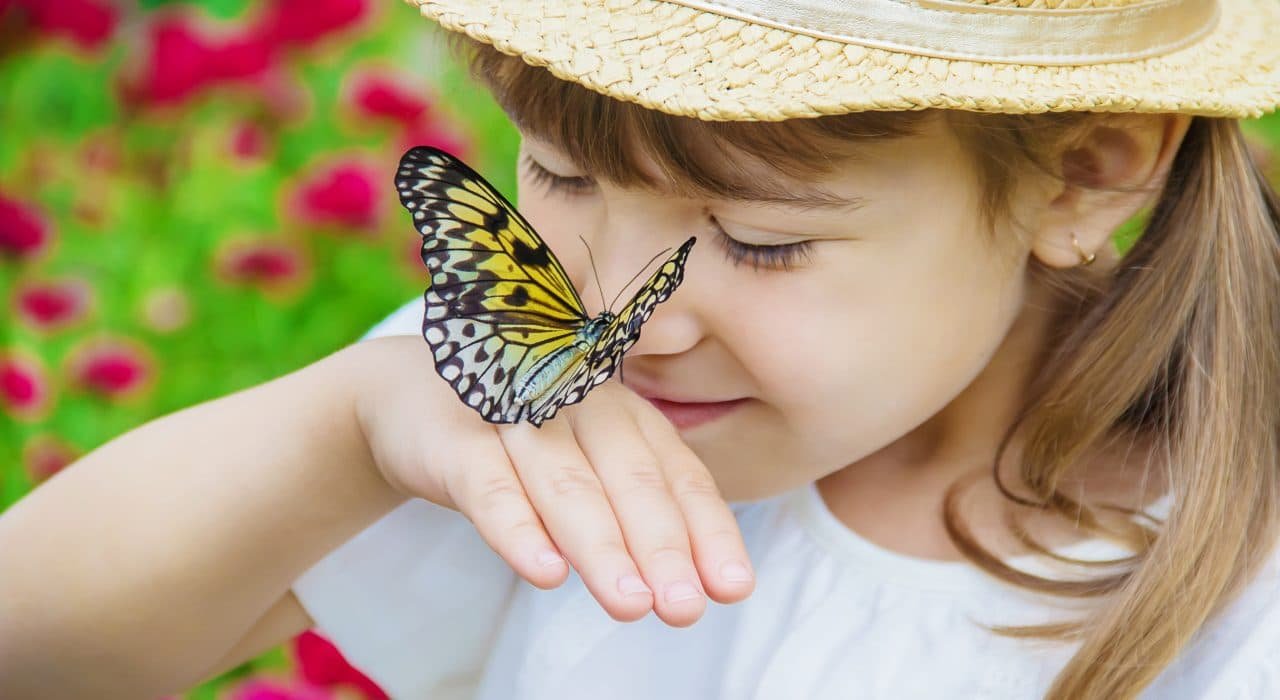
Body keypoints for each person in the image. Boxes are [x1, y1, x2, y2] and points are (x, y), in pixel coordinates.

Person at [2, 0, 1279, 697]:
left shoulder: (1234, 611)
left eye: (759, 240)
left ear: (1085, 174)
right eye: (556, 175)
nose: (626, 310)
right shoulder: (530, 421)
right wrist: (341, 430)